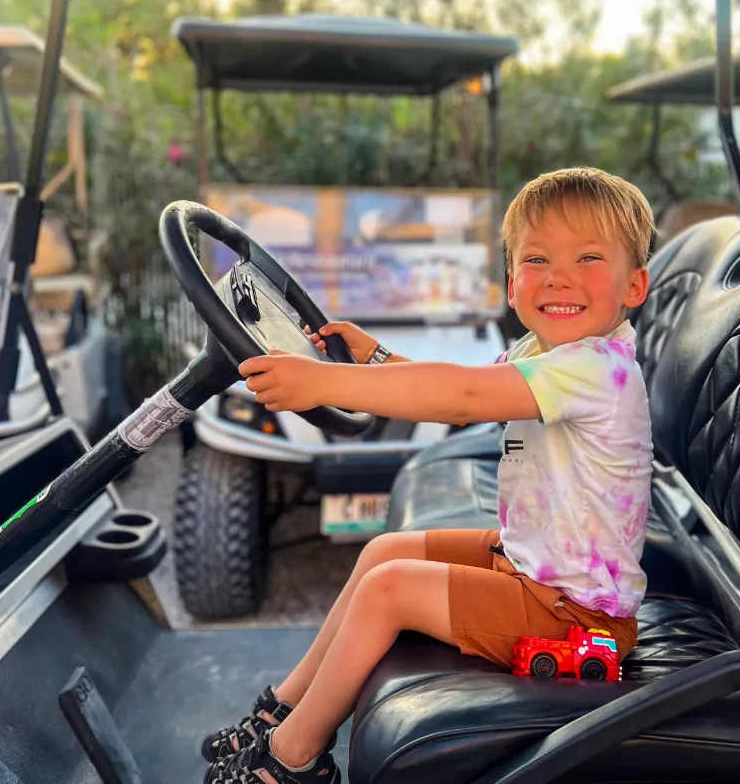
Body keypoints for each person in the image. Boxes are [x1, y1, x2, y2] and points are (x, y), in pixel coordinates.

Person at [200, 167, 655, 784]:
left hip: (577, 614)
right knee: (387, 551)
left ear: (634, 285)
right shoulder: (542, 354)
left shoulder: (597, 369)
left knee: (390, 593)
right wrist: (376, 359)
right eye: (537, 258)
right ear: (512, 281)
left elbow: (463, 396)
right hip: (532, 567)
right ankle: (283, 706)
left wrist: (326, 381)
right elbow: (465, 386)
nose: (559, 276)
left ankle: (290, 762)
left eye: (588, 257)